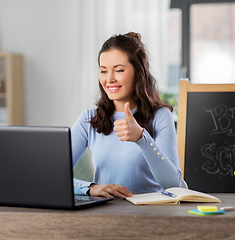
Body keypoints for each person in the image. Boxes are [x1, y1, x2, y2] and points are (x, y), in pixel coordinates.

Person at [71, 32, 182, 199]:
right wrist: (89, 188)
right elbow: (52, 176)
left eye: (119, 70)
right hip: (105, 214)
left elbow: (174, 184)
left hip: (152, 214)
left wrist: (142, 138)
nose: (109, 79)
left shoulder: (160, 116)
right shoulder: (88, 120)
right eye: (103, 71)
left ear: (139, 72)